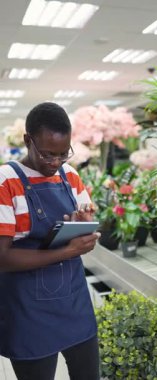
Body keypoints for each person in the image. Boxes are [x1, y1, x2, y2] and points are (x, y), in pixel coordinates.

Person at [0, 102, 100, 380]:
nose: (55, 163)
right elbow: (3, 257)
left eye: (62, 154)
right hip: (29, 311)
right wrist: (68, 249)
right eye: (47, 155)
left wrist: (82, 229)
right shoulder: (6, 182)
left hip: (75, 301)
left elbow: (87, 222)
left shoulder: (71, 176)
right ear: (27, 140)